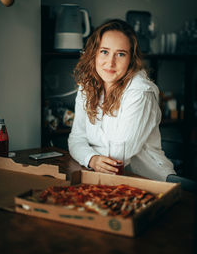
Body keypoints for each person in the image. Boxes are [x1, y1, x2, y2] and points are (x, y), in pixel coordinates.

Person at [68, 18, 176, 181]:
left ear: (131, 60)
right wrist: (91, 158)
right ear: (94, 53)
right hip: (103, 178)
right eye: (104, 51)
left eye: (120, 54)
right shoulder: (87, 86)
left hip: (150, 181)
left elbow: (119, 155)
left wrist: (89, 155)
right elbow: (76, 138)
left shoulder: (140, 92)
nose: (110, 63)